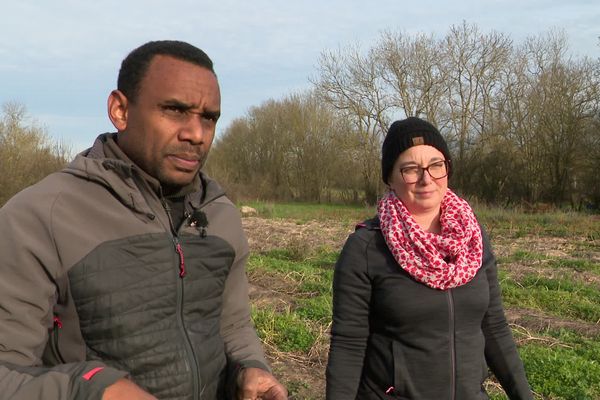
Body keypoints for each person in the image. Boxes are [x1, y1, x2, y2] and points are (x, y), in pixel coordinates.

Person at [0, 40, 287, 400]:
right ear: (120, 110)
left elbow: (233, 323)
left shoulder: (221, 214)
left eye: (208, 118)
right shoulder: (39, 216)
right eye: (175, 110)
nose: (196, 134)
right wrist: (89, 390)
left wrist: (251, 367)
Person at [325, 117, 532, 399]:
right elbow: (348, 344)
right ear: (390, 178)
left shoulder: (473, 239)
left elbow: (493, 326)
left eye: (436, 165)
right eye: (410, 169)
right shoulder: (366, 247)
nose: (426, 179)